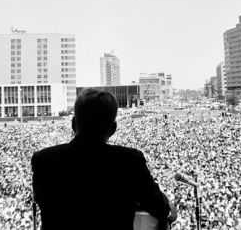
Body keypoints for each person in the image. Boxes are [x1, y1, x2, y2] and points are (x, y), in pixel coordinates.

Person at [31, 88, 175, 230]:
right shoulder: (130, 161)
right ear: (113, 129)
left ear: (74, 124)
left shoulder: (43, 160)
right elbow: (159, 207)